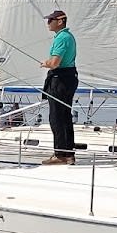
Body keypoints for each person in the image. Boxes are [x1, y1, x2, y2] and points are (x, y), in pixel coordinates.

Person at [40, 9, 78, 164]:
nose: (48, 23)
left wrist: (45, 63)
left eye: (51, 20)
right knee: (65, 116)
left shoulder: (62, 38)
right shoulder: (67, 36)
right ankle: (68, 153)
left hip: (60, 79)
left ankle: (61, 154)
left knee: (56, 117)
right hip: (69, 77)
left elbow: (55, 63)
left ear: (60, 21)